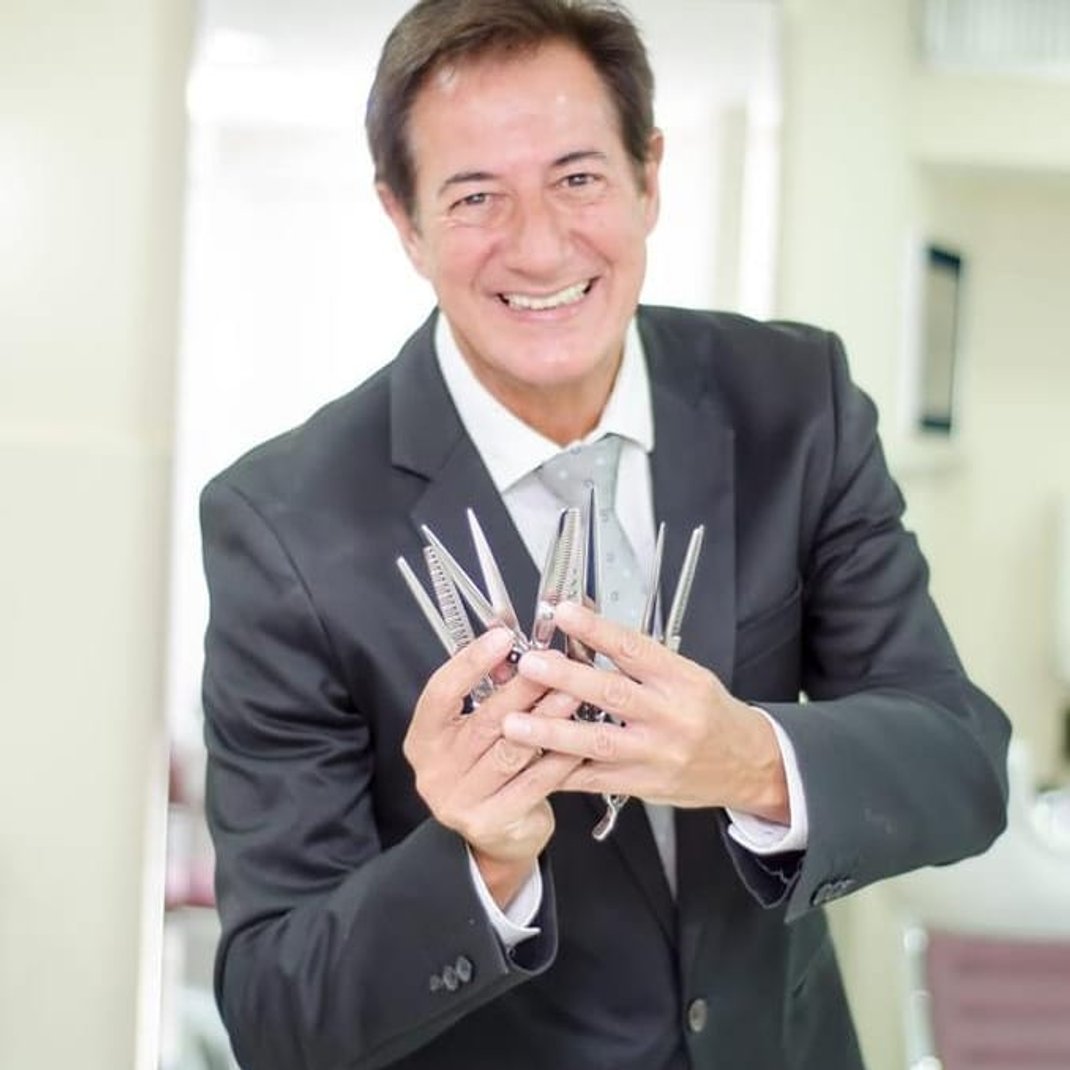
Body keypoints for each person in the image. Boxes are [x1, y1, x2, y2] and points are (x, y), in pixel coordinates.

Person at [198, 2, 1011, 1068]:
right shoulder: (285, 523)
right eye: (475, 196)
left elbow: (961, 763)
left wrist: (747, 759)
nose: (540, 247)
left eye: (577, 178)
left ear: (647, 178)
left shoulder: (794, 402)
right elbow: (275, 1010)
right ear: (405, 221)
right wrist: (481, 861)